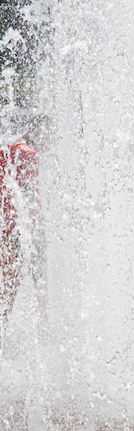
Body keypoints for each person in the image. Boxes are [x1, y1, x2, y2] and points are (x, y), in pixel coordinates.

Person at [0, 125, 40, 333]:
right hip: (21, 230)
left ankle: (3, 329)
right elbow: (28, 192)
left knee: (9, 286)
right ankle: (46, 328)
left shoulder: (6, 150)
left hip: (6, 228)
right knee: (40, 283)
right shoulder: (27, 153)